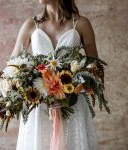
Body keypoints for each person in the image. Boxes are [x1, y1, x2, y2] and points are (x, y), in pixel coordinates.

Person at [12, 0, 99, 150]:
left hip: (73, 104)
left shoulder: (81, 24)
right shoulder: (31, 24)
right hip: (38, 106)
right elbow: (13, 66)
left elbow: (95, 68)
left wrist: (74, 85)